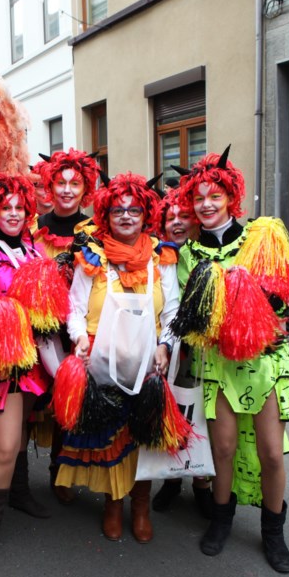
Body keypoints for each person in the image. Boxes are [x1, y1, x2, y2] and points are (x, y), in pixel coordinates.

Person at [177, 148, 289, 574]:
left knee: (271, 452)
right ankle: (221, 519)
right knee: (224, 449)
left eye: (215, 196)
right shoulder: (189, 255)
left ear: (231, 197)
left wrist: (257, 301)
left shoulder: (261, 237)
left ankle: (273, 531)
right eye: (199, 199)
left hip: (264, 362)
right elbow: (191, 319)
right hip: (217, 364)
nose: (207, 205)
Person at [59, 172, 179, 544]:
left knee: (142, 435)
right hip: (102, 361)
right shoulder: (91, 256)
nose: (126, 216)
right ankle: (114, 503)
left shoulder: (162, 257)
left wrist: (165, 346)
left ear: (146, 215)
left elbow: (172, 311)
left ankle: (140, 506)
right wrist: (79, 337)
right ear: (106, 216)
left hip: (148, 362)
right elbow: (75, 308)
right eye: (117, 211)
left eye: (134, 210)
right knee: (111, 436)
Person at [0, 168, 51, 568]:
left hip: (34, 362)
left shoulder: (36, 253)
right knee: (3, 447)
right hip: (0, 365)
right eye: (6, 207)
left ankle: (18, 494)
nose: (15, 213)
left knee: (20, 439)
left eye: (20, 207)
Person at [30, 148, 101, 506]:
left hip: (78, 329)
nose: (68, 190)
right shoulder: (33, 230)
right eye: (61, 183)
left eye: (75, 184)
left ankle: (63, 469)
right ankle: (17, 479)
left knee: (69, 403)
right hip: (40, 328)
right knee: (34, 403)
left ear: (85, 188)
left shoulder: (95, 231)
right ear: (50, 186)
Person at [150, 190, 212, 517]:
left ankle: (202, 483)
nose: (176, 223)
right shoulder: (160, 254)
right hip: (173, 349)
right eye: (169, 217)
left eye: (182, 216)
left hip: (206, 352)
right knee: (173, 413)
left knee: (200, 415)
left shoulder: (207, 252)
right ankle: (172, 479)